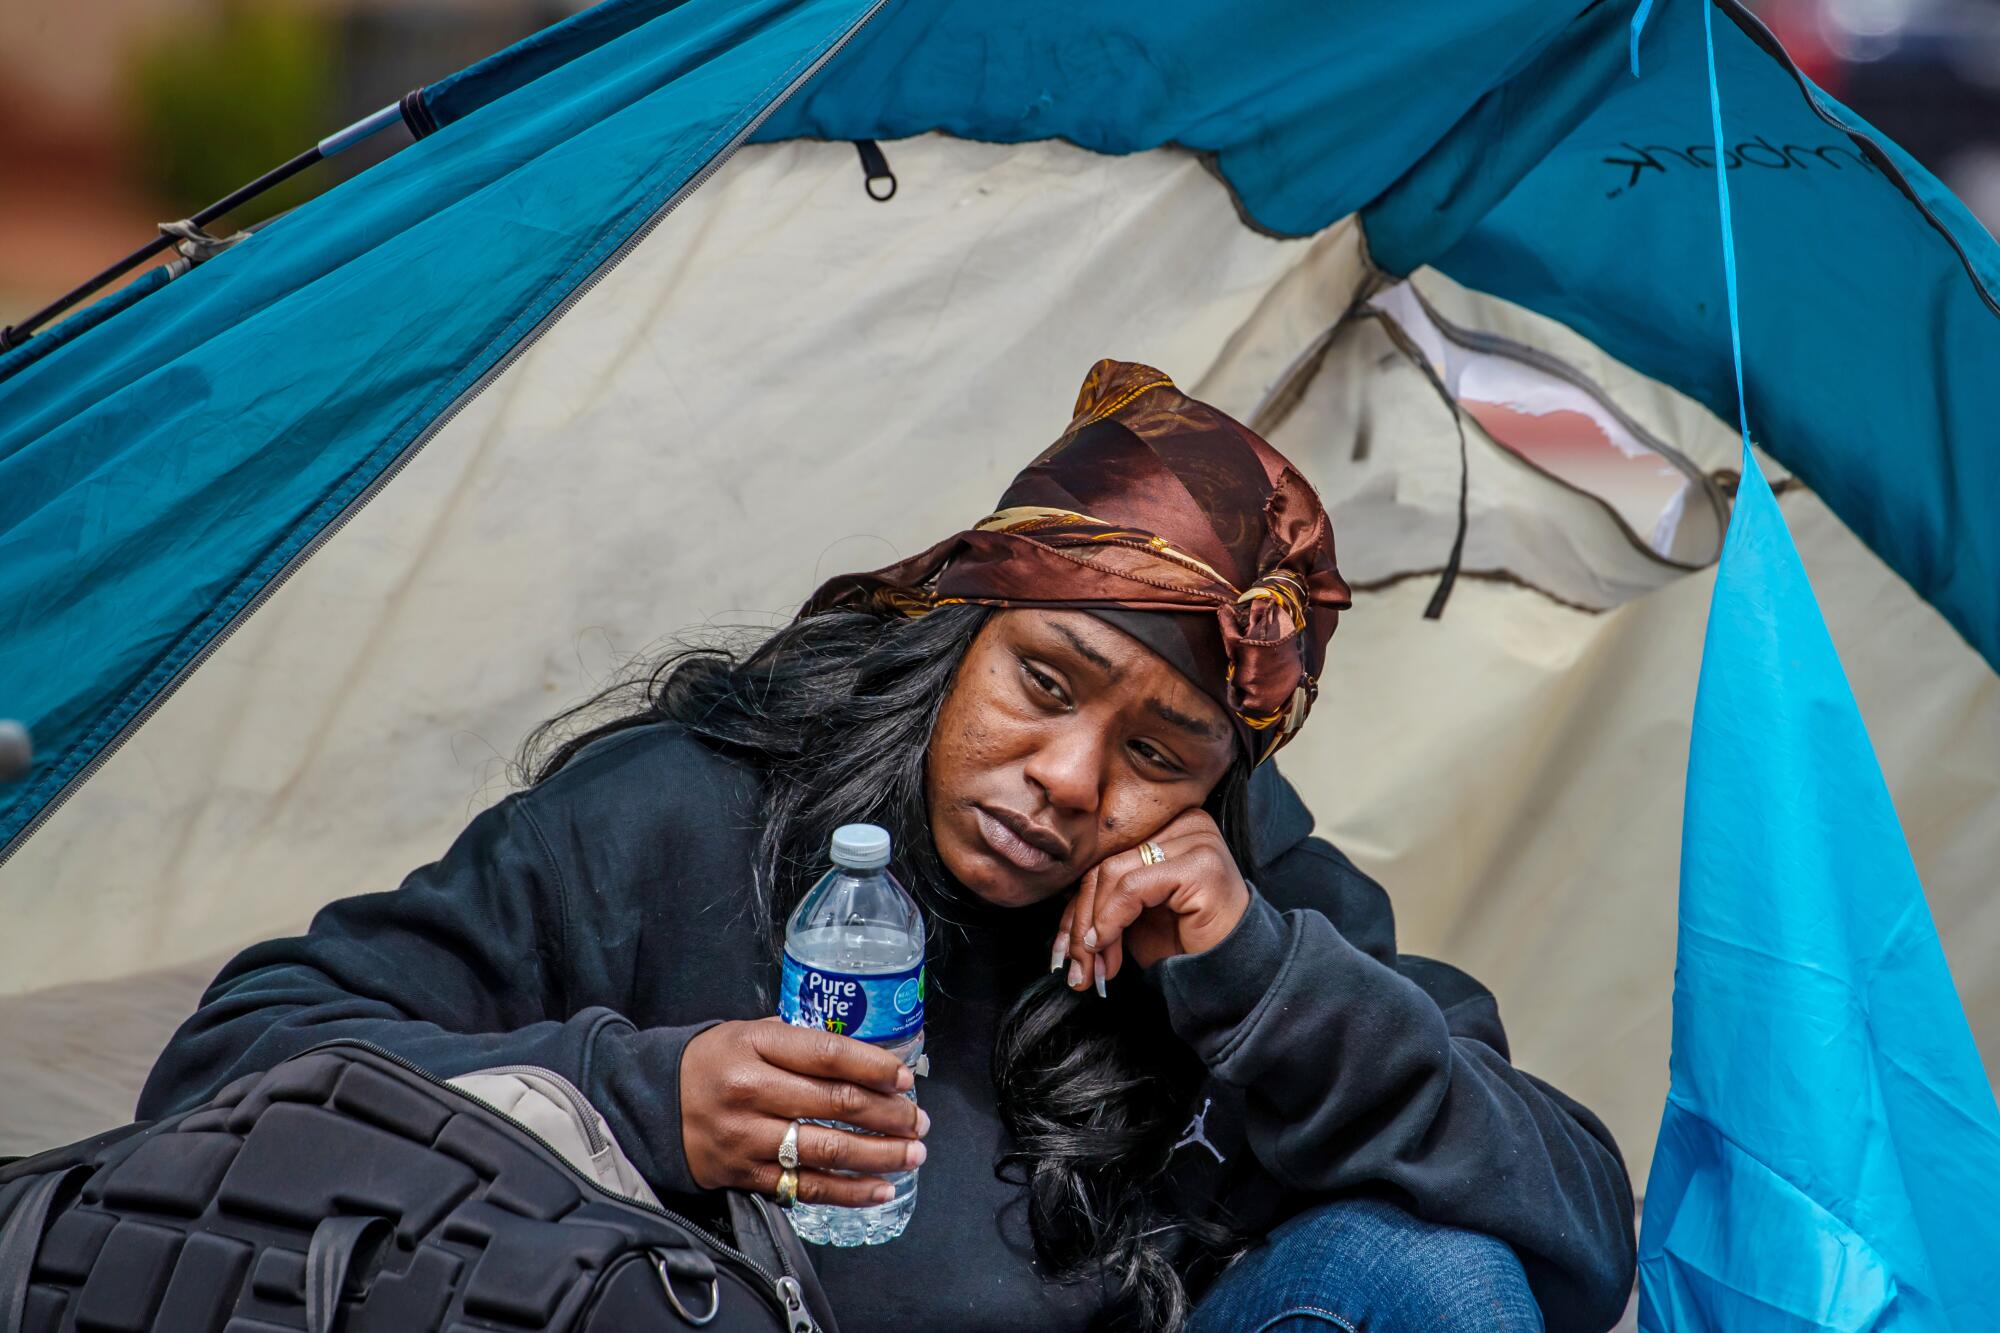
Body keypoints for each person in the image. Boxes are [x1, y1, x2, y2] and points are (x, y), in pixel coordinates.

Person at [141, 361, 1637, 1332]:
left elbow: (1578, 1231)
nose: (1066, 778)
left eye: (1156, 751)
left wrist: (1261, 986)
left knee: (1431, 1273)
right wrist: (634, 1099)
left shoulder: (1251, 906)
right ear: (954, 632)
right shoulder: (683, 811)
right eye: (1041, 681)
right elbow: (230, 1066)